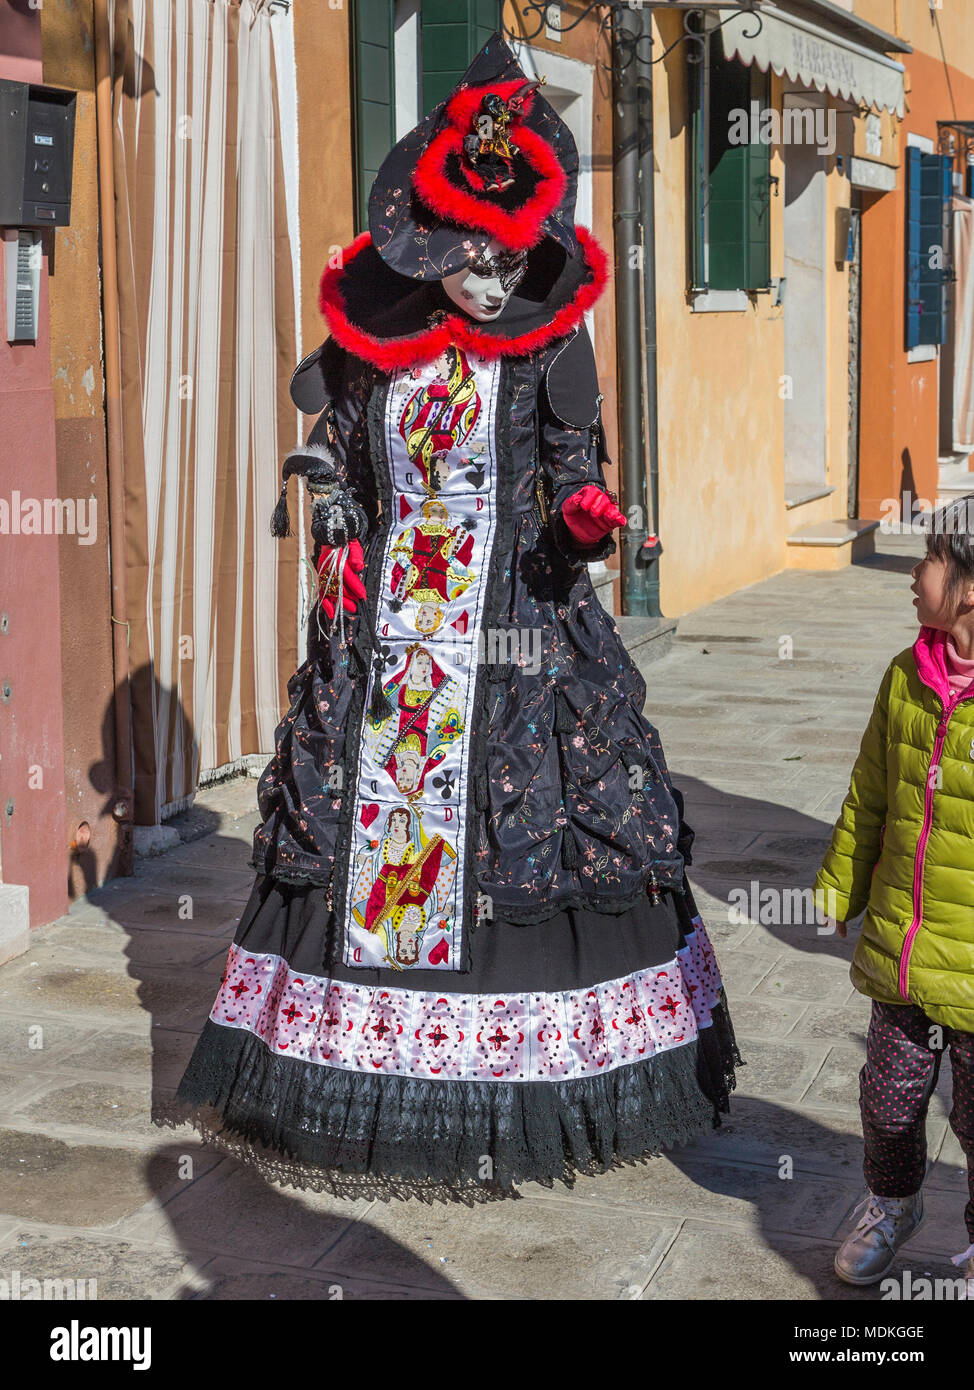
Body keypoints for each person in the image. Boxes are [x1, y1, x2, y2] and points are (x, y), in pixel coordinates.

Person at [173, 33, 740, 1200]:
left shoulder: (547, 348)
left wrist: (587, 515)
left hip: (518, 633)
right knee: (357, 829)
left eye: (502, 260)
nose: (486, 283)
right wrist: (327, 494)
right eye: (465, 259)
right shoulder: (373, 347)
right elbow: (332, 447)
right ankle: (354, 1068)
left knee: (531, 822)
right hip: (387, 636)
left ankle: (527, 1080)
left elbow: (575, 471)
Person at [816, 496, 974, 1292]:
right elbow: (870, 790)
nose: (914, 574)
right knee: (887, 1099)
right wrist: (842, 879)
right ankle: (892, 1202)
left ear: (970, 586)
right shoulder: (906, 676)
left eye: (931, 560)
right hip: (903, 947)